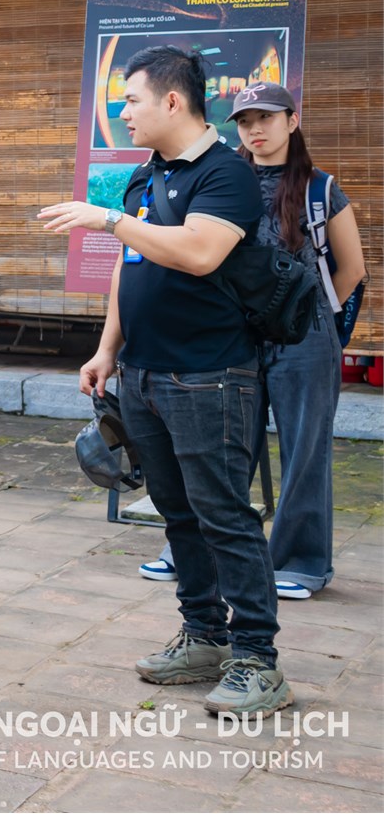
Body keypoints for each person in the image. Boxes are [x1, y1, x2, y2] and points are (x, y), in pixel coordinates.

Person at [42, 45, 288, 714]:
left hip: (211, 375)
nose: (122, 113)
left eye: (130, 99)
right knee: (177, 514)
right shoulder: (143, 177)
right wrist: (106, 349)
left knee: (224, 516)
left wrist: (108, 219)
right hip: (145, 374)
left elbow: (200, 252)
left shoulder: (226, 176)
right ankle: (204, 636)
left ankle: (257, 661)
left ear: (171, 102)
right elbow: (131, 266)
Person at [230, 82, 368, 600]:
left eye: (266, 118)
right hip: (234, 333)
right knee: (222, 449)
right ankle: (198, 550)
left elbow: (352, 269)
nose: (255, 130)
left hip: (304, 338)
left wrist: (309, 317)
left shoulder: (320, 188)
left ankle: (301, 561)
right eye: (245, 122)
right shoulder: (225, 181)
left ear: (292, 120)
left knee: (305, 451)